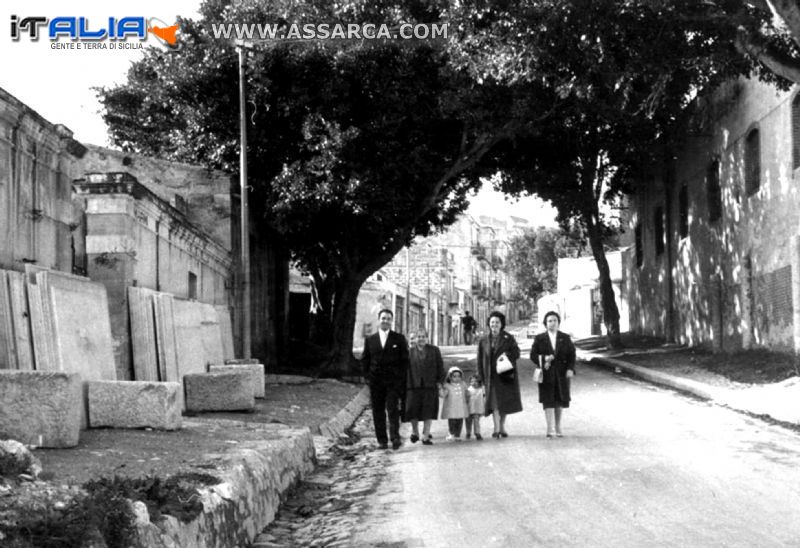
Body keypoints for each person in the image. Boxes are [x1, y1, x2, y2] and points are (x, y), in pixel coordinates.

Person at [361, 309, 409, 450]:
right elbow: (365, 359)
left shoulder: (398, 339)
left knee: (392, 409)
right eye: (383, 318)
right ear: (378, 320)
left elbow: (404, 361)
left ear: (391, 321)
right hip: (376, 381)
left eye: (388, 318)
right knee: (378, 410)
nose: (385, 321)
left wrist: (400, 379)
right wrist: (367, 377)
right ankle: (382, 440)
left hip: (393, 382)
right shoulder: (371, 339)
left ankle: (395, 437)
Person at [530, 311, 576, 438]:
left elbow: (572, 354)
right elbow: (533, 355)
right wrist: (544, 358)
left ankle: (558, 427)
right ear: (545, 323)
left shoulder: (565, 338)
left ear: (559, 322)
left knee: (560, 399)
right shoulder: (539, 338)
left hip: (561, 373)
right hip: (546, 373)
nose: (552, 323)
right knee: (548, 400)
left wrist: (570, 368)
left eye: (555, 320)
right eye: (549, 321)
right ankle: (549, 428)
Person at [476, 311, 522, 438]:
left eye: (497, 322)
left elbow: (517, 353)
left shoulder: (508, 338)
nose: (494, 325)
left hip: (504, 375)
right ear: (488, 324)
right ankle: (497, 428)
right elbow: (479, 360)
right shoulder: (483, 340)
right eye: (492, 322)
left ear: (501, 324)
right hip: (490, 376)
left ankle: (501, 427)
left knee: (503, 402)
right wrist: (480, 376)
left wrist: (506, 355)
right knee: (495, 403)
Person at [404, 328, 445, 446]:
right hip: (413, 385)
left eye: (423, 336)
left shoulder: (434, 350)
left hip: (430, 385)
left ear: (427, 338)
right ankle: (415, 432)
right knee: (412, 410)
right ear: (415, 338)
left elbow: (440, 367)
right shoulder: (409, 352)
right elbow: (405, 370)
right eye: (419, 337)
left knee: (429, 410)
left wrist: (440, 382)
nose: (421, 339)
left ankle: (426, 436)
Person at [439, 366, 469, 441]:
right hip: (451, 408)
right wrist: (440, 389)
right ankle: (452, 433)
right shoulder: (447, 386)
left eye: (459, 376)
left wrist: (469, 395)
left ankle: (457, 434)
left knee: (460, 421)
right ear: (450, 377)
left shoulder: (463, 384)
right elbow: (443, 395)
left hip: (461, 407)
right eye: (454, 376)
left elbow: (467, 393)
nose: (457, 378)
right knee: (452, 421)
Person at [465, 375, 485, 440]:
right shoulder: (469, 389)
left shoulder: (482, 389)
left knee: (476, 421)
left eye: (475, 381)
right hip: (469, 408)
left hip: (477, 408)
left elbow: (484, 398)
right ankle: (468, 432)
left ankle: (477, 433)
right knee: (468, 421)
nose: (473, 383)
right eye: (472, 381)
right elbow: (466, 398)